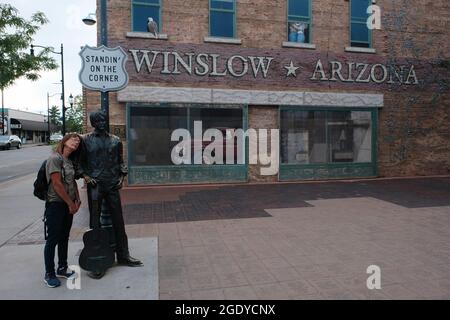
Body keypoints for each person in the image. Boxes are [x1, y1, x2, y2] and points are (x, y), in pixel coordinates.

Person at [79, 110, 142, 279]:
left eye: (103, 119)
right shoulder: (85, 141)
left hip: (112, 184)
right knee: (95, 224)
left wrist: (122, 177)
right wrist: (86, 177)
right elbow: (79, 164)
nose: (101, 122)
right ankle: (97, 260)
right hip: (95, 185)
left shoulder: (115, 141)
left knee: (118, 221)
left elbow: (121, 162)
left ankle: (123, 255)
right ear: (92, 122)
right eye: (97, 120)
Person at [43, 133, 82, 288]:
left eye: (78, 141)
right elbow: (57, 184)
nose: (76, 142)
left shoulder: (69, 160)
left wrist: (77, 199)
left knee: (64, 237)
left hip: (68, 204)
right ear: (65, 141)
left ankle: (62, 267)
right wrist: (69, 204)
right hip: (56, 205)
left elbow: (71, 182)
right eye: (74, 139)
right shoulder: (55, 158)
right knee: (52, 240)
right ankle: (49, 273)